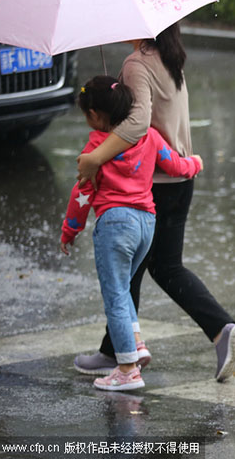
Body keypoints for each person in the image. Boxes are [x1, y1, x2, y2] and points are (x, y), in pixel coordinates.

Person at [73, 23, 235, 382]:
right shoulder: (169, 58)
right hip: (179, 176)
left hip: (154, 182)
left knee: (143, 270)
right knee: (147, 269)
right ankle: (116, 350)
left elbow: (137, 123)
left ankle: (217, 329)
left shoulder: (137, 63)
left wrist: (94, 159)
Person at [61, 75, 203, 391]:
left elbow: (81, 194)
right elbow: (175, 166)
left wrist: (70, 230)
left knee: (114, 294)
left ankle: (127, 370)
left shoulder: (95, 149)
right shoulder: (150, 137)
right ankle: (136, 344)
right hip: (146, 224)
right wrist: (194, 163)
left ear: (96, 116)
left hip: (115, 225)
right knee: (124, 289)